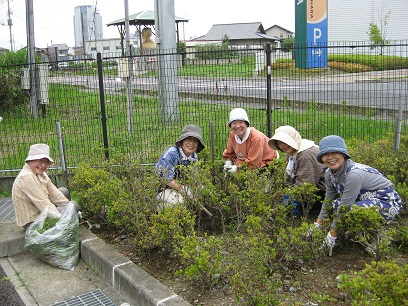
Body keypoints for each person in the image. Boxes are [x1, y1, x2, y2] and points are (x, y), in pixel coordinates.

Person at [313, 135, 402, 255]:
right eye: (325, 154)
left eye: (334, 153)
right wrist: (317, 224)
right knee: (335, 204)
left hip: (387, 203)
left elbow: (345, 206)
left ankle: (382, 235)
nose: (330, 158)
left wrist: (332, 235)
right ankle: (362, 234)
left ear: (344, 154)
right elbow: (328, 199)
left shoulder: (354, 174)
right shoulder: (329, 173)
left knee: (352, 209)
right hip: (365, 201)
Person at [12, 143, 80, 231]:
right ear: (30, 160)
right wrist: (64, 217)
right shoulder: (26, 177)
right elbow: (43, 204)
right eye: (39, 160)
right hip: (33, 221)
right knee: (74, 205)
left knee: (64, 193)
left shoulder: (40, 174)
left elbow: (54, 193)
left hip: (39, 211)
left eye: (46, 162)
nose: (43, 165)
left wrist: (68, 206)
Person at [268, 126, 326, 216]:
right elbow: (288, 177)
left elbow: (306, 184)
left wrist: (290, 197)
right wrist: (287, 190)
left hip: (322, 190)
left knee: (294, 211)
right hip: (306, 185)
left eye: (285, 141)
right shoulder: (291, 153)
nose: (283, 145)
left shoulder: (305, 154)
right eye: (279, 143)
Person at [156, 124, 205, 205]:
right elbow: (167, 179)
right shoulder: (172, 154)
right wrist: (183, 189)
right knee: (178, 201)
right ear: (182, 141)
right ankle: (161, 211)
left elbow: (194, 178)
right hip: (163, 189)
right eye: (188, 139)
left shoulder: (194, 157)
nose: (191, 143)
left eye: (195, 141)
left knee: (202, 193)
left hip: (180, 187)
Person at [223, 108, 279, 174]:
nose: (237, 126)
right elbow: (229, 153)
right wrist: (228, 163)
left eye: (241, 122)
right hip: (246, 162)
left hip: (266, 162)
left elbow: (254, 164)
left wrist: (236, 168)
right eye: (234, 123)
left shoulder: (256, 138)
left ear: (246, 124)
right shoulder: (233, 135)